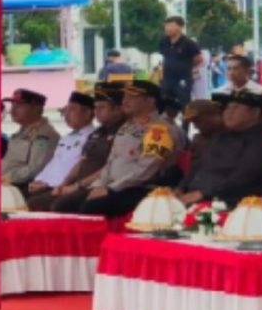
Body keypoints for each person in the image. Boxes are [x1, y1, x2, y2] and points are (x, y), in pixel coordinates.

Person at [56, 78, 184, 215]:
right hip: (113, 185)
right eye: (125, 96)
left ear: (149, 101)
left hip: (140, 187)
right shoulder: (128, 125)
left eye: (132, 97)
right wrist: (100, 185)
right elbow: (112, 160)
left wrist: (111, 189)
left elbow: (147, 169)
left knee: (91, 207)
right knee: (64, 204)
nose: (125, 100)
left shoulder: (160, 129)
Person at [181, 88, 262, 205]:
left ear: (255, 113)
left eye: (236, 108)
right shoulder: (220, 137)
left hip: (231, 205)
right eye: (228, 107)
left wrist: (202, 193)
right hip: (197, 198)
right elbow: (198, 166)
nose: (229, 112)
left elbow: (241, 180)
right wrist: (180, 188)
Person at [24, 90, 100, 206]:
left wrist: (49, 185)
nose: (67, 114)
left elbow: (76, 168)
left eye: (72, 109)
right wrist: (39, 180)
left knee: (29, 204)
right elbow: (55, 163)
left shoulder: (93, 138)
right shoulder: (66, 138)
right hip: (47, 186)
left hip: (64, 187)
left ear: (88, 113)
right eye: (66, 110)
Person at [1, 87, 61, 189]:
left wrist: (6, 178)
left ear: (36, 108)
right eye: (13, 105)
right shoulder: (20, 133)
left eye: (19, 105)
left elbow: (35, 169)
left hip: (25, 187)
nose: (13, 110)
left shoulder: (44, 135)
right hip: (7, 184)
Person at [155, 14, 200, 116]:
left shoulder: (189, 43)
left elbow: (199, 59)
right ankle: (165, 127)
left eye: (171, 25)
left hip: (183, 79)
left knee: (185, 105)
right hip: (167, 79)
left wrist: (186, 66)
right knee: (162, 103)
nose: (167, 28)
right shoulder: (163, 41)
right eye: (166, 25)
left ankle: (185, 128)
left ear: (180, 27)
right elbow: (164, 58)